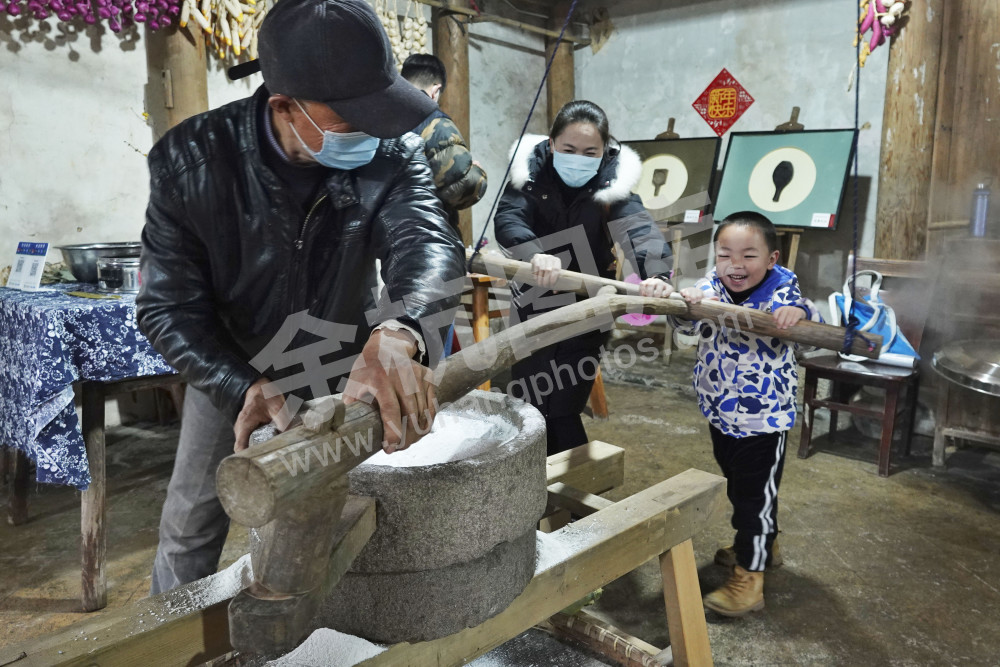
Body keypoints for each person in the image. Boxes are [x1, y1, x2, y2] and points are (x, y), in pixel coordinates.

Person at [136, 0, 465, 594]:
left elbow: (428, 245)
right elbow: (168, 307)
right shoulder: (192, 162)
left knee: (357, 519)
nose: (372, 131)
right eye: (351, 119)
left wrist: (401, 331)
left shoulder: (392, 151)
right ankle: (171, 643)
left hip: (345, 357)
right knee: (190, 525)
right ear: (285, 106)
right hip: (231, 367)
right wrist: (243, 386)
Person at [493, 100, 673, 456]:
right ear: (551, 144)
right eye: (569, 149)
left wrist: (657, 274)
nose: (579, 158)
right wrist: (533, 254)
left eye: (590, 151)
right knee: (529, 396)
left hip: (589, 306)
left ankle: (563, 493)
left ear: (604, 150)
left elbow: (638, 229)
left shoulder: (612, 183)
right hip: (535, 298)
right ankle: (534, 487)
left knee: (563, 402)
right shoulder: (530, 174)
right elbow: (509, 220)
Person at [671, 210, 820, 617]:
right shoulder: (710, 288)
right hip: (721, 412)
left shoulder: (784, 293)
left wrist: (801, 316)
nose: (736, 265)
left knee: (755, 497)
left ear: (771, 259)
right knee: (738, 487)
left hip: (764, 421)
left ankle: (750, 577)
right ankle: (760, 544)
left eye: (749, 255)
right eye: (725, 255)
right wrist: (686, 308)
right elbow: (686, 333)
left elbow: (812, 321)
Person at [400, 53, 488, 229]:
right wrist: (476, 172)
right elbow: (465, 185)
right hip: (423, 232)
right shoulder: (434, 122)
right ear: (435, 90)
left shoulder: (377, 116)